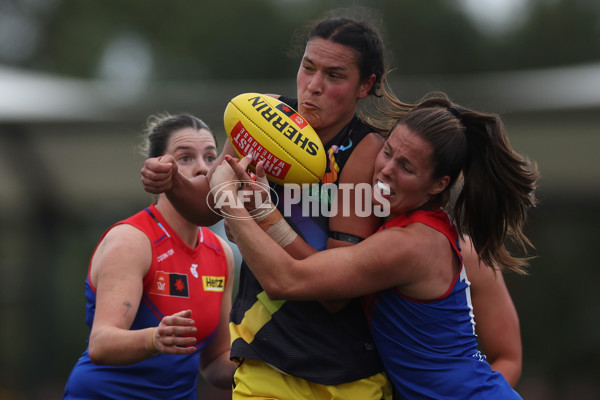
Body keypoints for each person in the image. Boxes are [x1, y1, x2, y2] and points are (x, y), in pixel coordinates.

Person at [140, 14, 523, 396]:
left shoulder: (369, 159)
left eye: (335, 76)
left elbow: (325, 292)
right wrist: (172, 182)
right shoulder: (260, 117)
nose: (314, 87)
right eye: (308, 68)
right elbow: (208, 206)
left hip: (347, 373)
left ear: (366, 85)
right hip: (268, 354)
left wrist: (252, 212)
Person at [209, 94, 538, 399]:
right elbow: (318, 270)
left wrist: (228, 199)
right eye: (389, 151)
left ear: (439, 185)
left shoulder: (411, 244)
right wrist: (264, 214)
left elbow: (286, 280)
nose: (385, 171)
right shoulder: (404, 225)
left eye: (406, 167)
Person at [63, 114, 237, 399]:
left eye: (210, 157)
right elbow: (101, 344)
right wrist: (153, 338)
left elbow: (215, 363)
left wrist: (269, 362)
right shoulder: (133, 239)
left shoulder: (221, 252)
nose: (202, 169)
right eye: (185, 158)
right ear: (158, 168)